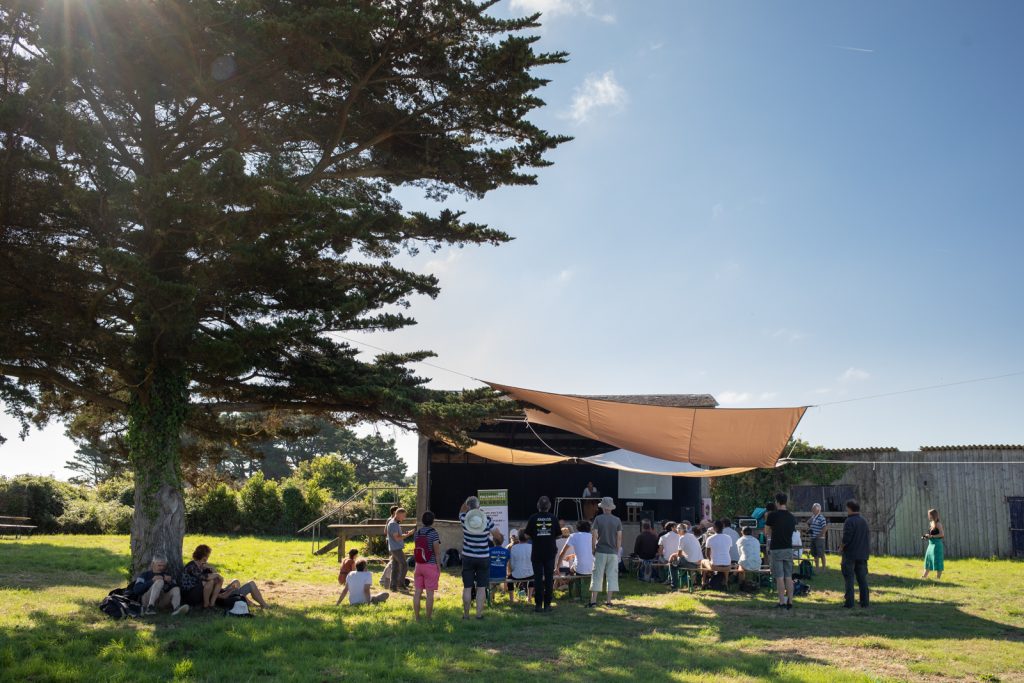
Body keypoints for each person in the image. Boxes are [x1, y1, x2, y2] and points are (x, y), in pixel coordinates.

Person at [460, 495, 500, 619]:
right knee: (481, 587)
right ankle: (478, 614)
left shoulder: (463, 518)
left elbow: (461, 510)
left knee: (467, 587)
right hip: (483, 557)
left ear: (468, 506)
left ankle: (466, 615)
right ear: (479, 507)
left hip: (467, 556)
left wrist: (467, 503)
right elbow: (497, 535)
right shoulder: (487, 520)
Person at [523, 495, 560, 612]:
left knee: (538, 579)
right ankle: (548, 605)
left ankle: (538, 605)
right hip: (550, 553)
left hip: (537, 552)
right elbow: (559, 534)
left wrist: (536, 535)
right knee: (549, 579)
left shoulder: (533, 518)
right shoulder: (553, 518)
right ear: (549, 506)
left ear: (538, 506)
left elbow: (526, 535)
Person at [765, 492, 797, 609]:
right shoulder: (791, 517)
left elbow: (766, 531)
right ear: (786, 502)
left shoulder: (772, 515)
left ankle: (782, 602)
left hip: (776, 548)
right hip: (788, 548)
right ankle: (790, 602)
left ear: (777, 502)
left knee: (779, 577)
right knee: (788, 576)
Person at [589, 496, 622, 608]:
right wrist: (617, 551)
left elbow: (594, 535)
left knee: (597, 575)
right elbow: (619, 537)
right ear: (611, 508)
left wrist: (593, 548)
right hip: (613, 552)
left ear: (602, 507)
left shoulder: (598, 519)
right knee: (612, 576)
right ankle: (609, 601)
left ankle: (593, 601)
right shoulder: (617, 520)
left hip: (600, 551)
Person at [412, 511, 442, 621]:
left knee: (417, 592)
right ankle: (428, 618)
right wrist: (439, 566)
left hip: (419, 565)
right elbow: (437, 552)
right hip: (430, 565)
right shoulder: (433, 533)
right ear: (432, 521)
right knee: (430, 594)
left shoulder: (417, 533)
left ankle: (417, 617)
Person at [840, 499, 870, 608]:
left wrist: (841, 547)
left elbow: (846, 538)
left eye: (847, 508)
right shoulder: (864, 521)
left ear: (849, 508)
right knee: (862, 579)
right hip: (862, 554)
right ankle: (865, 602)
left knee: (849, 578)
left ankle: (849, 602)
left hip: (850, 554)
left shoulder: (849, 521)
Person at [181, 544, 224, 609]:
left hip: (199, 591)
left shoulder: (203, 565)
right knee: (210, 581)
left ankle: (212, 604)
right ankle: (206, 605)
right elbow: (205, 577)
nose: (207, 558)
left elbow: (215, 576)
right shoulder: (191, 566)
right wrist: (217, 575)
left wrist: (212, 568)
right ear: (201, 555)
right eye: (206, 556)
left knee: (218, 580)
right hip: (189, 594)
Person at [385, 507, 415, 592]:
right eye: (403, 516)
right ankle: (400, 585)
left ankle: (393, 586)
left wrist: (406, 534)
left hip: (394, 548)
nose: (404, 518)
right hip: (396, 549)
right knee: (404, 565)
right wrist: (408, 534)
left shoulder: (394, 523)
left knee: (395, 568)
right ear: (398, 515)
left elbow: (397, 536)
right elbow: (397, 538)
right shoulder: (393, 524)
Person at [700, 519, 734, 588]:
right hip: (727, 565)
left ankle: (703, 582)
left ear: (714, 528)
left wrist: (710, 560)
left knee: (703, 561)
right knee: (726, 561)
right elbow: (727, 550)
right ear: (723, 527)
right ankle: (725, 583)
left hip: (714, 566)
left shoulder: (710, 539)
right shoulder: (728, 538)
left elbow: (707, 554)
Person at [669, 524, 703, 588]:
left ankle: (674, 585)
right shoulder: (692, 536)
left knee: (672, 564)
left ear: (680, 530)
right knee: (678, 560)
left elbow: (679, 554)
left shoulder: (682, 538)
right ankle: (694, 582)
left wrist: (674, 555)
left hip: (691, 563)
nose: (677, 530)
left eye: (678, 529)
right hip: (698, 562)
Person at [508, 529, 534, 603]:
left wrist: (514, 571)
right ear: (527, 537)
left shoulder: (513, 548)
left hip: (516, 575)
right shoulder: (532, 547)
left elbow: (512, 565)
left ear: (518, 537)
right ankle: (529, 598)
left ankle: (511, 599)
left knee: (509, 578)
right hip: (530, 574)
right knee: (533, 575)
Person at [921, 508, 945, 579]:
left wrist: (931, 536)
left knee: (938, 560)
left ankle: (938, 578)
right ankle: (924, 577)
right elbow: (932, 534)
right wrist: (927, 536)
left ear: (933, 515)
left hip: (937, 545)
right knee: (928, 560)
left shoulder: (938, 524)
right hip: (930, 545)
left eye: (929, 515)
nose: (928, 516)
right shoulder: (931, 523)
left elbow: (942, 534)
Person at [809, 503, 828, 569]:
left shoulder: (821, 517)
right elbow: (808, 523)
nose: (812, 510)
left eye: (813, 508)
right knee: (815, 553)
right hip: (813, 537)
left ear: (818, 510)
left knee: (821, 553)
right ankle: (817, 567)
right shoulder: (813, 517)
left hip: (819, 539)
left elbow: (825, 528)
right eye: (812, 508)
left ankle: (824, 568)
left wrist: (819, 535)